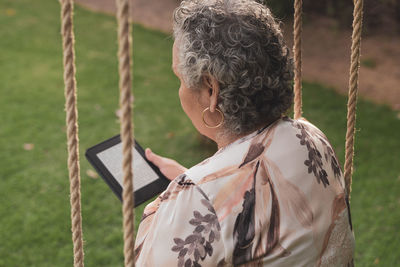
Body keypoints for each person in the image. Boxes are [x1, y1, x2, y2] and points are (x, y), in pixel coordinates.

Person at [136, 0, 355, 266]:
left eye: (179, 79)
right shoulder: (311, 138)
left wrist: (177, 201)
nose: (179, 91)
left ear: (210, 90)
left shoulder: (192, 201)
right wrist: (206, 188)